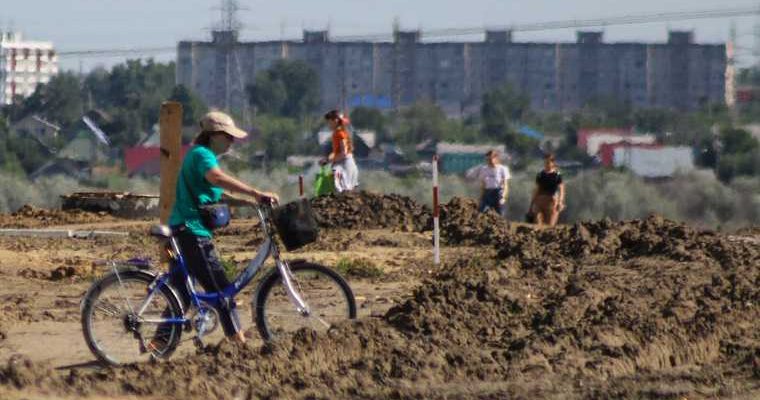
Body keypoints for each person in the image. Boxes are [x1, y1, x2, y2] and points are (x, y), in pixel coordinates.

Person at [165, 111, 279, 344]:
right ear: (214, 135)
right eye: (228, 136)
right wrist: (256, 192)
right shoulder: (203, 155)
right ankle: (237, 343)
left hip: (182, 228)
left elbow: (218, 192)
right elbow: (217, 178)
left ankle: (160, 342)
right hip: (192, 231)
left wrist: (250, 202)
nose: (232, 141)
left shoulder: (198, 154)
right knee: (223, 292)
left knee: (180, 295)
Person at [466, 150, 511, 216]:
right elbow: (483, 184)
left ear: (496, 158)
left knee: (500, 213)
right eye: (488, 159)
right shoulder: (484, 169)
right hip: (487, 193)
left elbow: (506, 185)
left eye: (491, 158)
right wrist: (481, 197)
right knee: (480, 211)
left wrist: (503, 197)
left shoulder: (503, 169)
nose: (489, 161)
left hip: (498, 192)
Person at [324, 110, 359, 192]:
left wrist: (329, 160)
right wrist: (328, 159)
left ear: (335, 121)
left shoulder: (340, 133)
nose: (328, 125)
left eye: (329, 122)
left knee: (343, 192)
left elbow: (344, 153)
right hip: (346, 163)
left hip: (345, 165)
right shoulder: (338, 133)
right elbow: (337, 152)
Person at [529, 153, 565, 227]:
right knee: (537, 223)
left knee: (549, 226)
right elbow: (537, 189)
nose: (546, 164)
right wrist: (532, 203)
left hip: (552, 202)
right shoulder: (540, 174)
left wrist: (560, 202)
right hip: (540, 200)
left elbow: (561, 189)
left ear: (552, 163)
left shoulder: (557, 175)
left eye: (548, 162)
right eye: (545, 162)